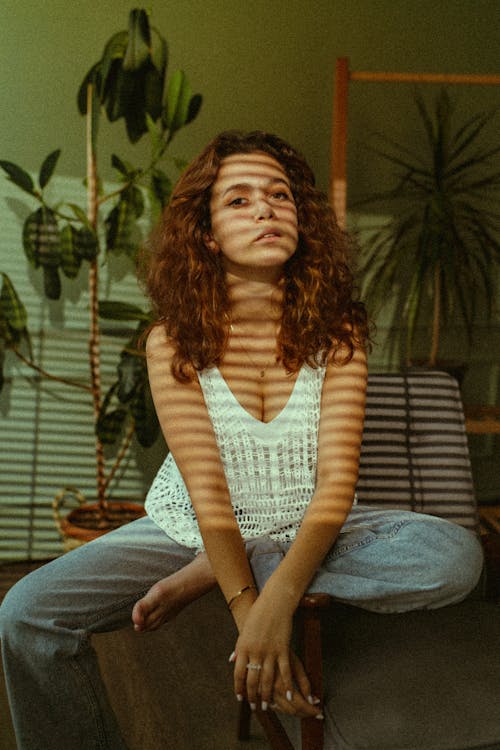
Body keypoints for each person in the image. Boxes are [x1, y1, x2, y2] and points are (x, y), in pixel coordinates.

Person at [0, 131, 483, 750]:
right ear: (206, 234)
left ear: (302, 222)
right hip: (194, 527)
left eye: (280, 196)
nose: (266, 209)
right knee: (25, 615)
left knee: (455, 559)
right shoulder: (172, 341)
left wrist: (273, 603)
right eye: (239, 200)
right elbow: (207, 494)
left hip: (315, 522)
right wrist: (247, 618)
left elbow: (336, 486)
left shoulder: (340, 337)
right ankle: (222, 565)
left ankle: (238, 565)